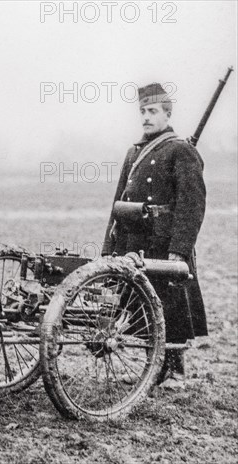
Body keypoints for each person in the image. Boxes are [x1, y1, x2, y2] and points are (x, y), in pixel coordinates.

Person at [102, 83, 207, 388]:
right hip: (132, 240)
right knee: (138, 304)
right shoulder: (134, 152)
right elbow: (118, 203)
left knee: (169, 303)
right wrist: (109, 246)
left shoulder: (181, 151)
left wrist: (180, 249)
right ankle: (154, 369)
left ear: (167, 113)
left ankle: (176, 370)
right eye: (142, 112)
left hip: (163, 243)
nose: (146, 117)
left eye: (152, 111)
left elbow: (191, 205)